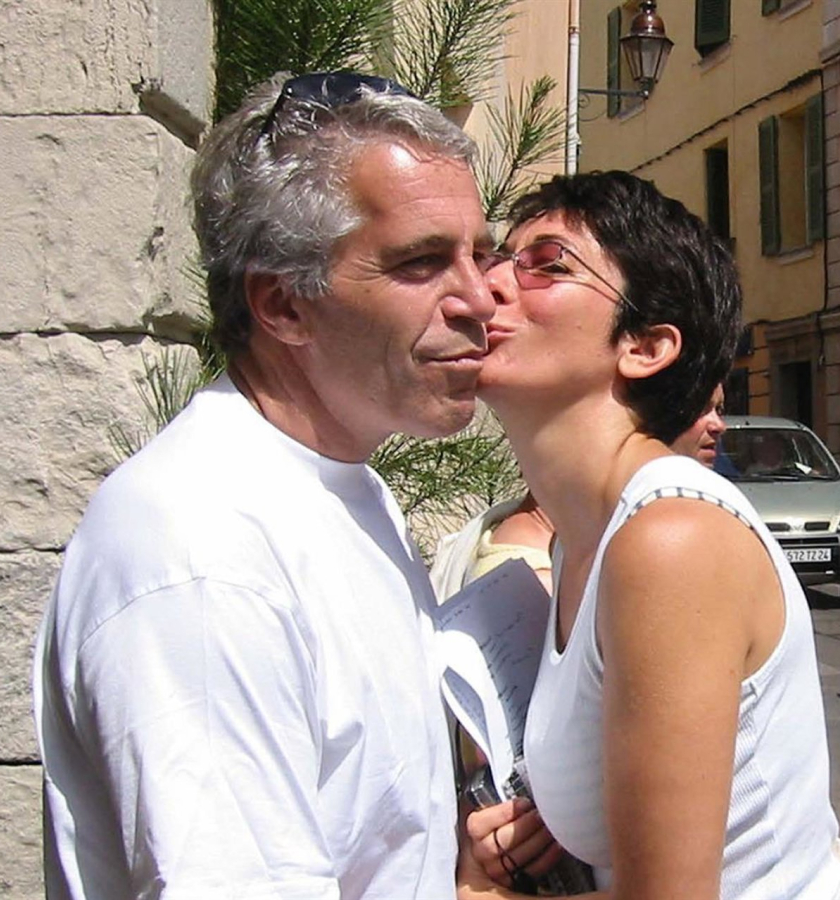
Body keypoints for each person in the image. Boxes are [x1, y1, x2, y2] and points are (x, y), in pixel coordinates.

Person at [32, 71, 496, 898]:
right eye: (422, 262)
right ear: (283, 305)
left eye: (480, 254)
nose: (480, 299)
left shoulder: (348, 488)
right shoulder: (201, 547)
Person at [459, 171, 840, 900]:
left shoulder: (669, 539)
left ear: (645, 347)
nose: (489, 284)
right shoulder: (579, 539)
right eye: (498, 258)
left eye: (547, 264)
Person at [431, 384, 728, 601]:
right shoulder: (533, 580)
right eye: (699, 409)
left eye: (719, 409)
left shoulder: (582, 543)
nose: (718, 425)